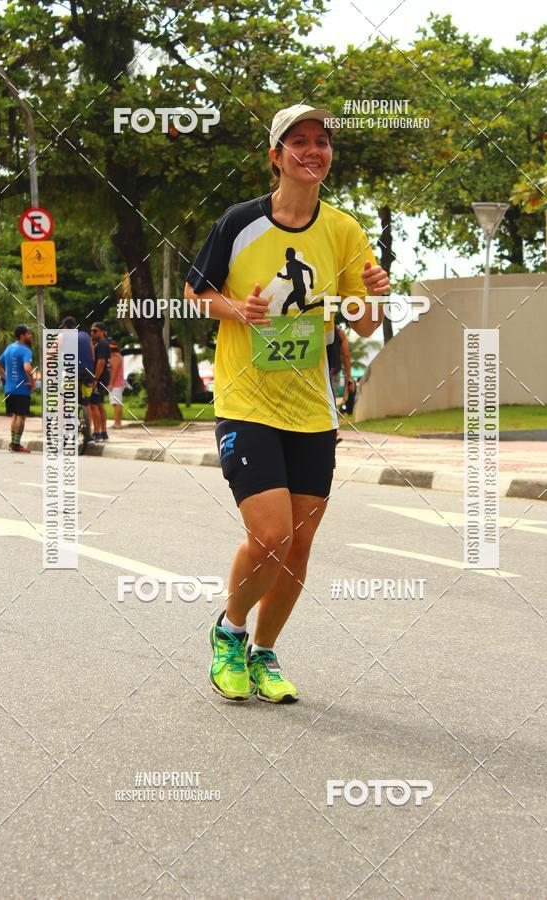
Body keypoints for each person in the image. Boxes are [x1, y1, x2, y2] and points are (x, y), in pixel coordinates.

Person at [185, 103, 389, 704]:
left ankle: (265, 654)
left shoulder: (344, 229)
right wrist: (237, 310)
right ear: (276, 157)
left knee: (298, 546)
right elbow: (199, 292)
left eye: (322, 141)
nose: (313, 150)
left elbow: (364, 322)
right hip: (246, 401)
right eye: (298, 141)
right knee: (271, 536)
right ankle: (229, 631)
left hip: (311, 409)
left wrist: (376, 294)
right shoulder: (240, 223)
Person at [0, 324, 35, 453]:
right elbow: (27, 368)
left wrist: (6, 377)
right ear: (22, 336)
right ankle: (16, 444)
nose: (31, 336)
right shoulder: (26, 350)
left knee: (15, 416)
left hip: (9, 389)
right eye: (28, 334)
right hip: (22, 389)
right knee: (21, 416)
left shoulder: (9, 349)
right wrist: (32, 381)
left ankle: (13, 442)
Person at [60, 316, 96, 439]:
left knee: (63, 400)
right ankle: (89, 434)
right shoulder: (86, 335)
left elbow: (51, 354)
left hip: (73, 373)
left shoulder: (63, 337)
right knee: (86, 404)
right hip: (88, 372)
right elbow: (93, 355)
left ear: (66, 327)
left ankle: (63, 430)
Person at [89, 321, 110, 441]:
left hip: (99, 378)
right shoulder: (99, 344)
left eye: (95, 331)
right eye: (91, 331)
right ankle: (103, 432)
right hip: (102, 377)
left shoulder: (102, 344)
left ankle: (97, 432)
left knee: (93, 405)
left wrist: (95, 378)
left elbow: (101, 362)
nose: (92, 333)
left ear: (102, 332)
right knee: (100, 404)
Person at [108, 340, 124, 428]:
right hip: (117, 383)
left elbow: (114, 371)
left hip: (116, 384)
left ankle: (117, 423)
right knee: (117, 403)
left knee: (116, 403)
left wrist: (110, 383)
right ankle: (118, 422)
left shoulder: (116, 357)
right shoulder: (116, 356)